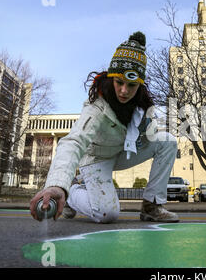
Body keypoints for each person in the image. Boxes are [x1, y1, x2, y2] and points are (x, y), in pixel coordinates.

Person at [29, 32, 179, 223]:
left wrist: (147, 126)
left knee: (167, 142)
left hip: (122, 151)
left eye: (131, 85)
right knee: (108, 213)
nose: (124, 91)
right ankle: (72, 193)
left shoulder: (143, 106)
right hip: (95, 158)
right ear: (111, 78)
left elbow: (149, 137)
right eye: (119, 82)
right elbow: (74, 141)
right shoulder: (97, 107)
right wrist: (58, 185)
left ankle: (152, 206)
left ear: (140, 85)